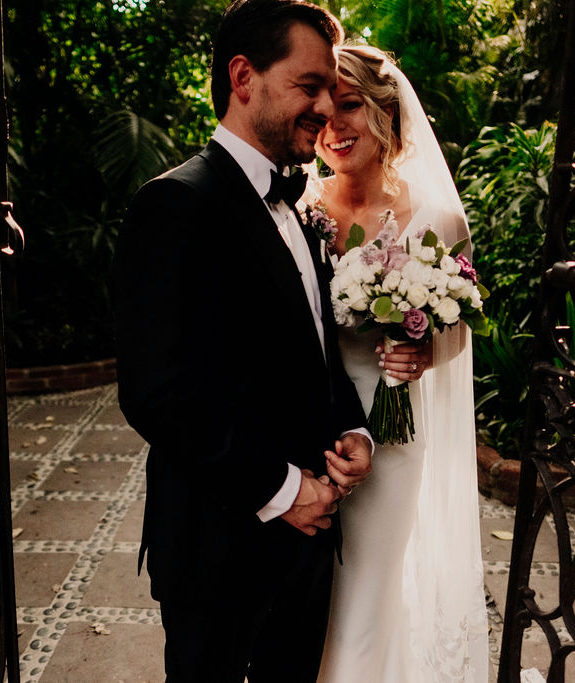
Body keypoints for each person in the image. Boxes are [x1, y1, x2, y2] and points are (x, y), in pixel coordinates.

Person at [111, 2, 373, 681]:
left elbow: (316, 345)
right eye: (308, 85)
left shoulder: (302, 205)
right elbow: (156, 393)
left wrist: (351, 428)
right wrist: (284, 489)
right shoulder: (173, 204)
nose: (324, 106)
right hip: (217, 548)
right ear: (243, 76)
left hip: (311, 546)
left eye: (329, 90)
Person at [310, 45, 490, 681]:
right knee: (312, 597)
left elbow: (460, 333)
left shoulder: (438, 216)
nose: (334, 125)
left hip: (392, 429)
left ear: (386, 111)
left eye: (351, 104)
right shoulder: (300, 208)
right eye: (324, 108)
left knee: (365, 590)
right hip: (309, 425)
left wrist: (422, 349)